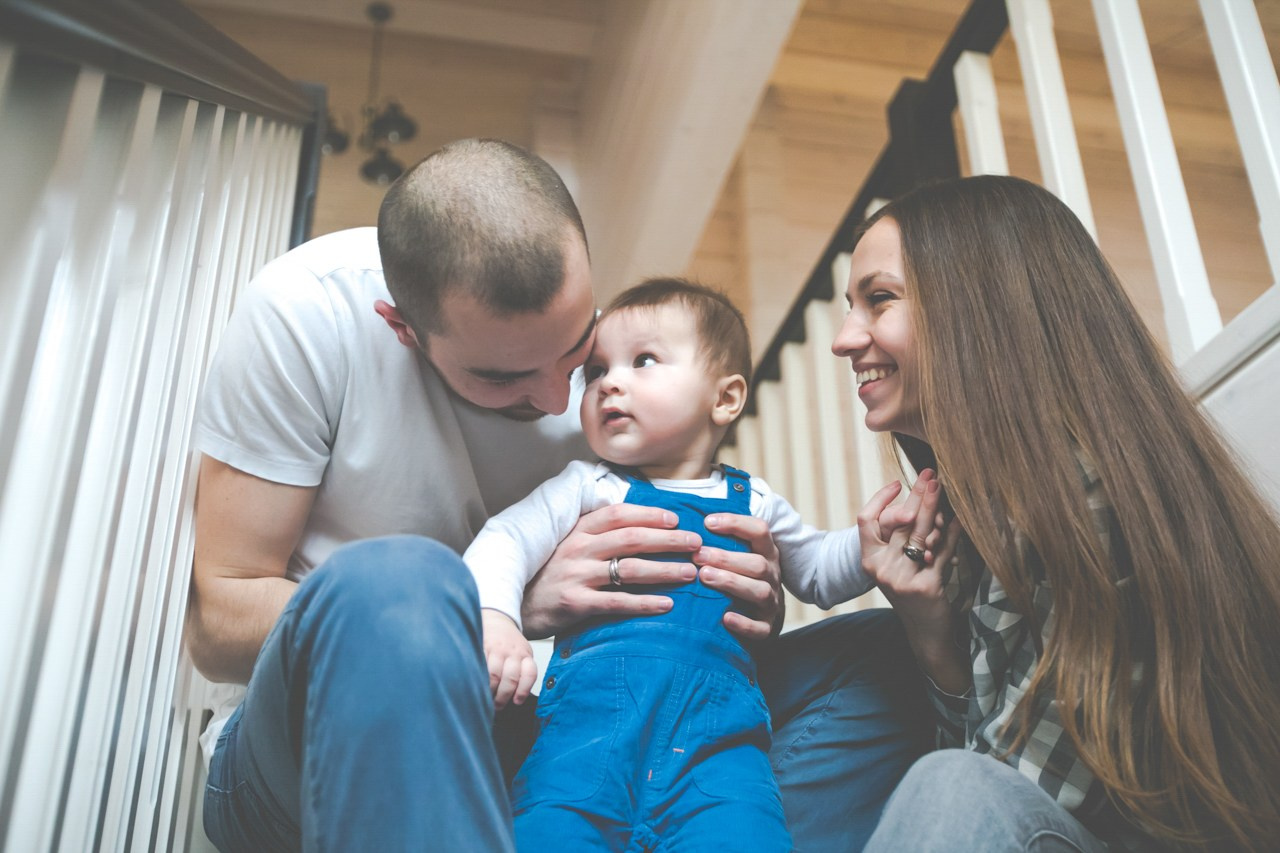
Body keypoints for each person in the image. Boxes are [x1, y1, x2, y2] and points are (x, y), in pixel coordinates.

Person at [186, 138, 930, 853]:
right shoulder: (307, 316)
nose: (556, 399)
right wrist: (485, 611)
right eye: (502, 378)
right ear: (403, 329)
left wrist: (750, 597)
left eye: (578, 350)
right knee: (401, 580)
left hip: (571, 725)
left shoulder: (619, 382)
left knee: (886, 650)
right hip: (330, 745)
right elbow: (218, 618)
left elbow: (794, 568)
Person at [829, 174, 1280, 851]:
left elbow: (993, 792)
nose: (843, 338)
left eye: (880, 299)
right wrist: (931, 637)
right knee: (859, 656)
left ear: (977, 307)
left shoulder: (1093, 504)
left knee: (947, 782)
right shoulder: (982, 518)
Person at [466, 279, 876, 851]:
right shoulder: (590, 486)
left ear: (725, 399)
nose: (610, 381)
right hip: (583, 740)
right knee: (550, 832)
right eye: (597, 370)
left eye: (644, 361)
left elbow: (819, 573)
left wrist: (873, 542)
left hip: (720, 750)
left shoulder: (753, 499)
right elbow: (505, 538)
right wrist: (495, 616)